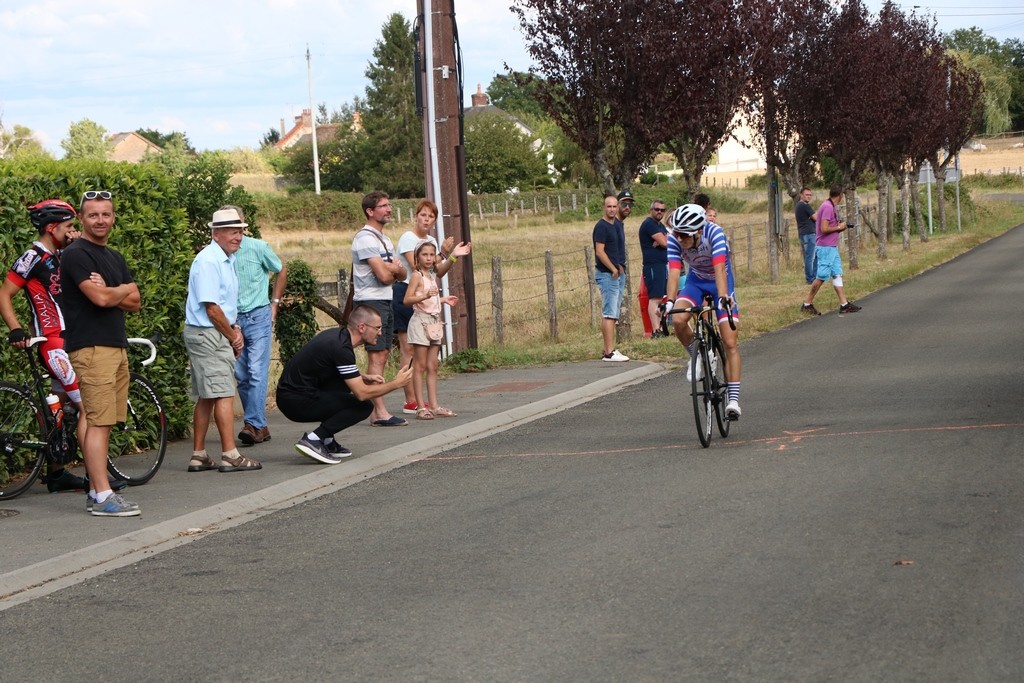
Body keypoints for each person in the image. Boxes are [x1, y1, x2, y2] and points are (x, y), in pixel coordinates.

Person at [59, 190, 142, 516]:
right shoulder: (76, 254)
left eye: (106, 214)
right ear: (81, 218)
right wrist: (118, 290)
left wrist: (113, 288)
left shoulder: (114, 257)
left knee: (98, 420)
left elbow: (135, 301)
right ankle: (102, 496)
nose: (100, 220)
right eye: (93, 215)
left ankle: (97, 489)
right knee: (98, 421)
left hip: (114, 345)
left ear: (113, 217)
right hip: (92, 349)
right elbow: (102, 300)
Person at [0, 200, 93, 493]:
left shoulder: (63, 253)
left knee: (62, 408)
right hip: (52, 342)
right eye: (68, 227)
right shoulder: (32, 257)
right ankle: (97, 480)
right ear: (52, 228)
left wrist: (80, 242)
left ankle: (57, 474)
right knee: (89, 407)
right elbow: (4, 294)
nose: (72, 231)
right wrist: (15, 328)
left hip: (71, 339)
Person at [276, 305, 414, 464]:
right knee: (364, 406)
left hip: (293, 396)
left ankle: (327, 440)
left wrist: (363, 376)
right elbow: (362, 394)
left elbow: (327, 369)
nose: (380, 332)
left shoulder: (338, 336)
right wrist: (396, 383)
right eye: (377, 328)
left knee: (343, 384)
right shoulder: (341, 348)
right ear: (362, 327)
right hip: (294, 402)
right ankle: (314, 439)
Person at [183, 208, 261, 474]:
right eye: (232, 231)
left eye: (240, 231)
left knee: (207, 396)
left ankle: (199, 455)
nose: (238, 236)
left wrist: (233, 328)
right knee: (224, 393)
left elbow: (222, 307)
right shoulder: (209, 261)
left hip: (209, 332)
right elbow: (212, 308)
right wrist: (234, 336)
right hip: (209, 334)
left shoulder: (223, 258)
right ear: (216, 234)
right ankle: (230, 454)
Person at [664, 204, 743, 420]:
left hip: (721, 283)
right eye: (676, 233)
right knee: (678, 319)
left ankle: (733, 399)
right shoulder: (674, 238)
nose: (679, 239)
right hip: (696, 282)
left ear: (699, 230)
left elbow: (719, 268)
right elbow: (674, 270)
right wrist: (670, 301)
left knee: (729, 341)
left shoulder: (714, 233)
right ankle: (699, 355)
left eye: (683, 235)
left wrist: (724, 298)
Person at [393, 199, 471, 415]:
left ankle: (430, 403)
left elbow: (437, 270)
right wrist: (443, 254)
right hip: (408, 291)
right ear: (416, 216)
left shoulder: (431, 241)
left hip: (429, 301)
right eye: (423, 215)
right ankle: (411, 400)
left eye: (431, 217)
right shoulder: (409, 238)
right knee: (408, 348)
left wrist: (453, 256)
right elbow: (416, 265)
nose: (426, 219)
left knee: (430, 359)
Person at [223, 205, 288, 447]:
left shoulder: (258, 247)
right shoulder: (220, 253)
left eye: (238, 225)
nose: (236, 232)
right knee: (241, 374)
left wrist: (275, 303)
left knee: (256, 371)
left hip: (258, 315)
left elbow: (281, 270)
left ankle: (251, 424)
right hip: (232, 320)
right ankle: (260, 425)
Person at [352, 191, 408, 426]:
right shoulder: (365, 239)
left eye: (389, 204)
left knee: (383, 353)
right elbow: (385, 277)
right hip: (371, 301)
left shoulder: (384, 240)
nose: (389, 209)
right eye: (383, 206)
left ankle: (377, 410)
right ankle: (379, 412)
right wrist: (392, 269)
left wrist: (393, 269)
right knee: (376, 354)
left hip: (385, 300)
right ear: (370, 211)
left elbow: (403, 273)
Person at [403, 240, 459, 419]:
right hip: (420, 322)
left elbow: (430, 299)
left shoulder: (431, 275)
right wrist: (425, 295)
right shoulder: (417, 275)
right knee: (419, 365)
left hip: (434, 322)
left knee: (432, 365)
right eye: (424, 255)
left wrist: (442, 300)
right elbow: (407, 299)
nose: (428, 258)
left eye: (431, 255)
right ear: (417, 258)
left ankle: (434, 405)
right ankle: (420, 406)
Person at [802, 184, 862, 315]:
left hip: (832, 247)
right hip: (825, 247)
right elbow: (824, 228)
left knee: (837, 273)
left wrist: (839, 226)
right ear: (840, 195)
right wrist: (839, 228)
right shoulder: (828, 207)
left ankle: (844, 304)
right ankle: (807, 304)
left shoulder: (829, 205)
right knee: (821, 276)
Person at [593, 194, 629, 362]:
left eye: (615, 206)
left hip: (618, 273)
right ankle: (609, 352)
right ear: (604, 207)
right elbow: (599, 251)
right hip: (608, 274)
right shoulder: (601, 227)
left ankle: (609, 348)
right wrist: (613, 268)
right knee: (609, 313)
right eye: (609, 206)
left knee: (613, 313)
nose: (612, 209)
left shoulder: (616, 225)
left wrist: (620, 267)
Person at [638, 199, 669, 337]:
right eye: (657, 209)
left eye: (662, 210)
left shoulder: (660, 225)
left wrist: (664, 239)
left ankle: (660, 328)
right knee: (654, 298)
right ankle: (655, 330)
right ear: (651, 210)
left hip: (662, 264)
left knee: (661, 297)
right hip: (653, 265)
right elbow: (666, 242)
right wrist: (663, 239)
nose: (659, 212)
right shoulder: (649, 224)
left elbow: (668, 240)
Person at [795, 187, 818, 285]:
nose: (809, 197)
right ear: (801, 195)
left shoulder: (799, 206)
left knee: (814, 255)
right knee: (810, 257)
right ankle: (810, 278)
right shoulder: (804, 205)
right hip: (809, 233)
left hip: (805, 233)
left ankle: (815, 276)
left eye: (810, 195)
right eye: (807, 195)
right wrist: (819, 212)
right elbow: (816, 218)